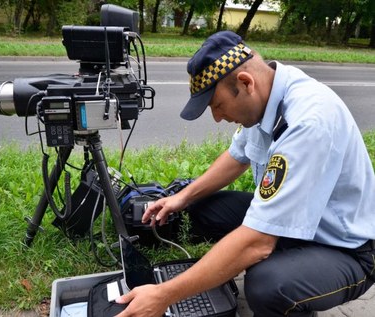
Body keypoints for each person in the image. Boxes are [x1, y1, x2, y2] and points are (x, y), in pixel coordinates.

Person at [115, 30, 375, 317]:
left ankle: (297, 291)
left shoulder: (308, 122)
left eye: (217, 105)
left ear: (245, 82)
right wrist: (182, 197)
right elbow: (236, 157)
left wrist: (164, 295)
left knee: (268, 285)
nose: (216, 118)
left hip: (346, 248)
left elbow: (258, 243)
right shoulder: (267, 93)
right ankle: (282, 258)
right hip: (300, 221)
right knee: (201, 208)